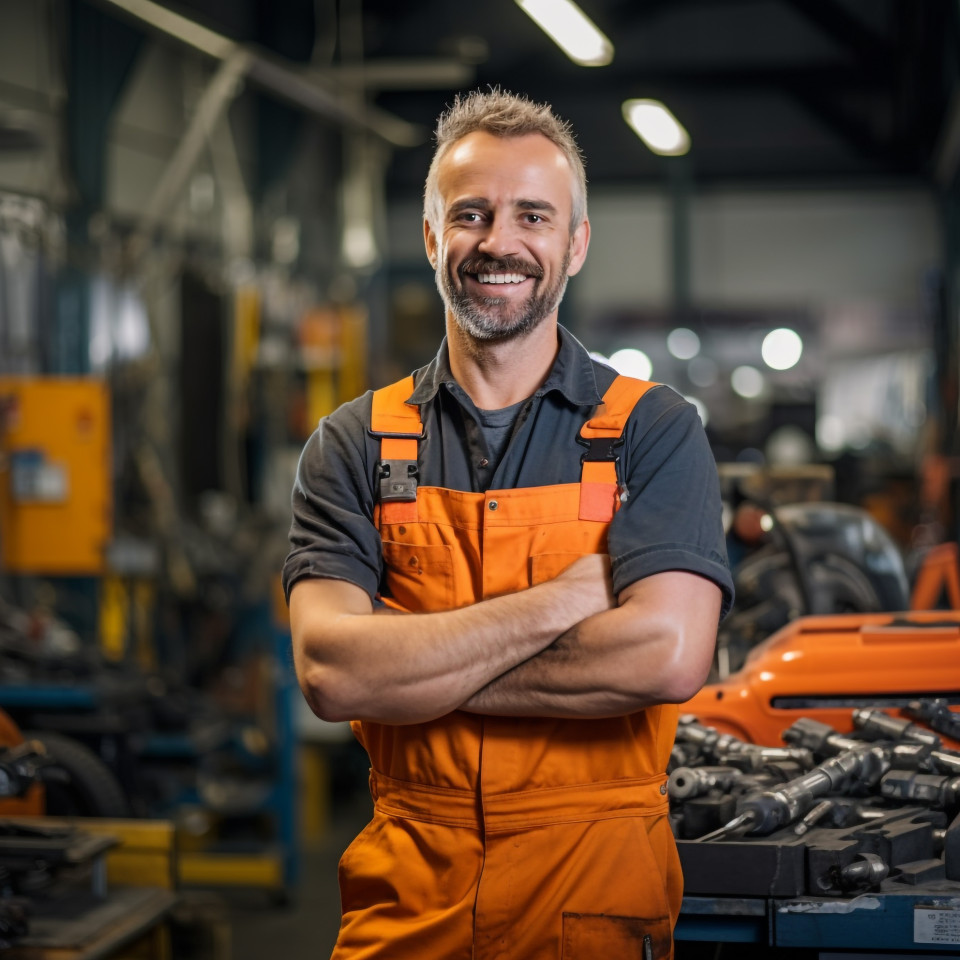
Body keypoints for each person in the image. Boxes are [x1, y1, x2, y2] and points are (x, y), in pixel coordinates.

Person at [283, 89, 734, 960]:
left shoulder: (652, 430)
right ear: (431, 238)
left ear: (575, 244)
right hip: (408, 905)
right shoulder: (352, 442)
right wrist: (566, 600)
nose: (500, 242)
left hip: (595, 898)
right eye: (471, 215)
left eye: (533, 215)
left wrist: (414, 669)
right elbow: (334, 674)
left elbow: (668, 657)